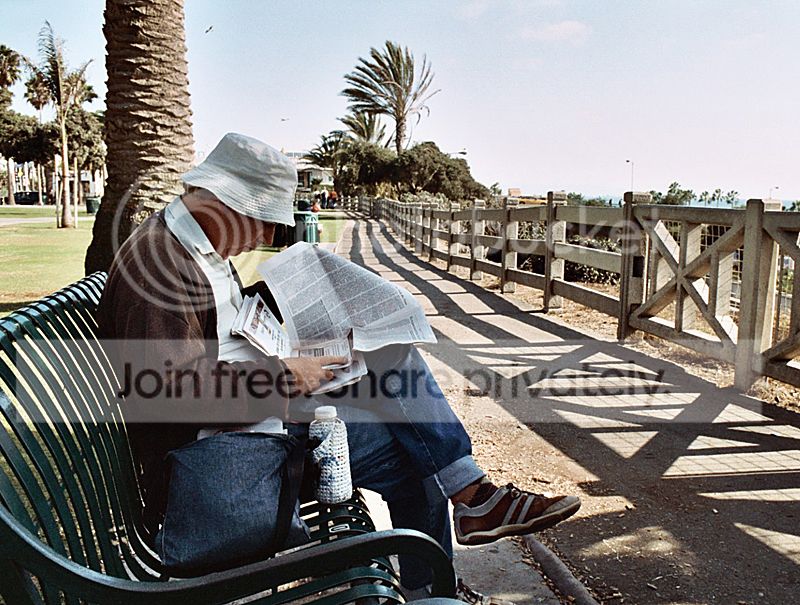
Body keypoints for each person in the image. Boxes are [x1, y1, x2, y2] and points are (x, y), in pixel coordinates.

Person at [97, 133, 580, 596]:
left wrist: (293, 315)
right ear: (221, 203)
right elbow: (166, 393)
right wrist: (285, 375)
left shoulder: (192, 246)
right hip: (223, 455)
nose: (269, 234)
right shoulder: (158, 265)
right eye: (263, 219)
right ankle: (457, 532)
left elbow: (222, 335)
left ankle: (466, 507)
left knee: (388, 350)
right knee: (415, 458)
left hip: (255, 419)